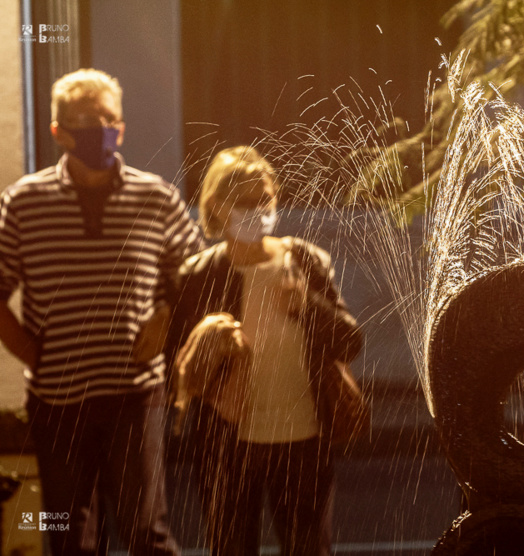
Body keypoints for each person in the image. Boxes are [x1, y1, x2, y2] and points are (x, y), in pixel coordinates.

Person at [0, 68, 202, 555]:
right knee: (68, 536)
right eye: (85, 119)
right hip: (56, 404)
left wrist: (165, 317)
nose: (100, 128)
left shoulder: (155, 197)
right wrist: (34, 354)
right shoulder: (24, 202)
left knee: (146, 534)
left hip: (136, 396)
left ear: (122, 127)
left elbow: (196, 277)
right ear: (58, 131)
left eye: (108, 118)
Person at [170, 146, 363, 555]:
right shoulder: (198, 276)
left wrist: (307, 306)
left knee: (309, 548)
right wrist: (208, 353)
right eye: (245, 202)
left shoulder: (304, 261)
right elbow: (175, 370)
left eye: (265, 199)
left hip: (304, 443)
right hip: (227, 448)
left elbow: (351, 341)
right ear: (217, 207)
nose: (259, 210)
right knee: (231, 548)